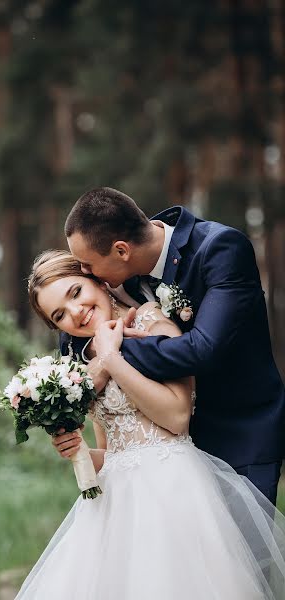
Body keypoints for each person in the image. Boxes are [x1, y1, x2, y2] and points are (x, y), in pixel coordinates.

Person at [14, 249, 285, 600]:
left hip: (173, 490)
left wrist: (112, 358)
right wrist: (79, 452)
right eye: (60, 314)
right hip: (115, 509)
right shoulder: (82, 363)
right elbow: (113, 454)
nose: (75, 312)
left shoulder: (153, 323)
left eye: (75, 292)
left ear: (96, 279)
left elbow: (176, 418)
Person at [55, 187, 285, 505]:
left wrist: (111, 352)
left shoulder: (221, 249)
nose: (85, 272)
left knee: (239, 553)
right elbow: (80, 332)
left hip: (239, 432)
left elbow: (203, 349)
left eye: (87, 264)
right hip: (170, 453)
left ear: (122, 251)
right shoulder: (126, 277)